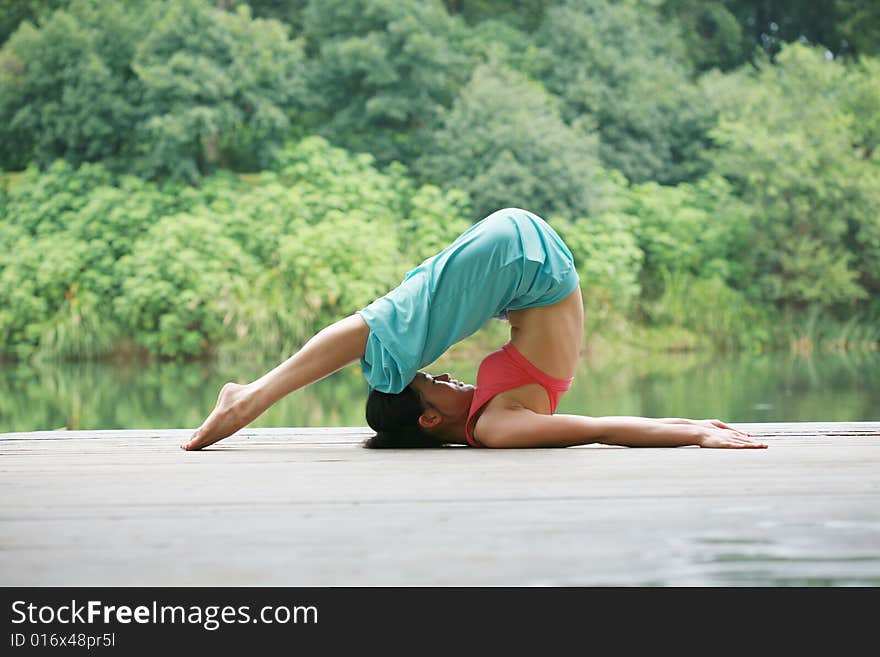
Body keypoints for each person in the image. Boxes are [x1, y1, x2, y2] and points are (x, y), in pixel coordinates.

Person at [182, 208, 767, 451]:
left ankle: (249, 398)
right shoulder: (495, 428)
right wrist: (693, 431)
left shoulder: (486, 414)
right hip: (526, 264)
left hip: (520, 270)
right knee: (389, 343)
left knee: (393, 340)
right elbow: (596, 427)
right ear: (431, 419)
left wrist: (692, 428)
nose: (443, 372)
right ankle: (248, 399)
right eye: (432, 384)